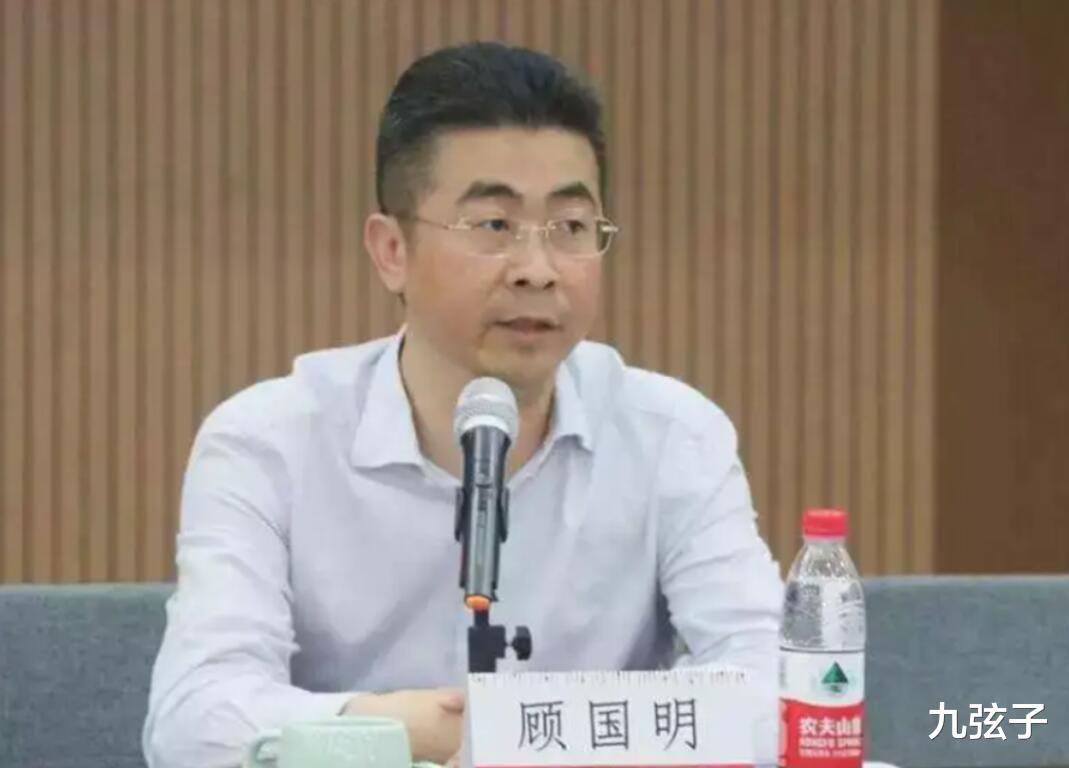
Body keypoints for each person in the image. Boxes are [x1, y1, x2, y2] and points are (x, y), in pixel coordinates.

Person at [142, 41, 782, 768]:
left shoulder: (671, 435)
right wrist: (408, 730)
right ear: (391, 250)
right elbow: (193, 722)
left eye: (571, 228)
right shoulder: (269, 443)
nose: (537, 270)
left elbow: (780, 689)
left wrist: (522, 731)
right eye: (493, 226)